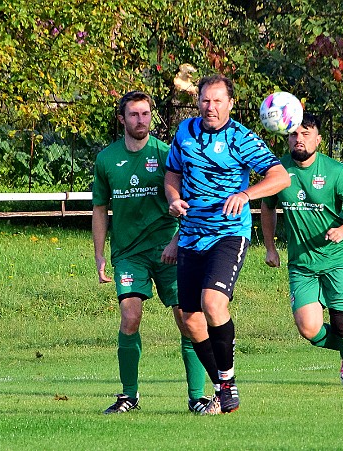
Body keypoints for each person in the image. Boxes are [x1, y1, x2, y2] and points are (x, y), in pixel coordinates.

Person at [164, 75, 291, 415]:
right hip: (191, 235)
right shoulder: (185, 132)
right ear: (199, 102)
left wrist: (246, 194)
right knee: (189, 319)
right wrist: (174, 199)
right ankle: (223, 387)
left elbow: (280, 176)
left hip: (229, 233)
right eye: (206, 100)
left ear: (230, 104)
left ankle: (227, 382)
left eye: (218, 101)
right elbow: (172, 174)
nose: (211, 107)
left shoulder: (241, 138)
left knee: (213, 302)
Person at [92, 91, 209, 414]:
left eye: (145, 114)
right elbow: (100, 208)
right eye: (133, 114)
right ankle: (129, 395)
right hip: (129, 252)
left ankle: (197, 396)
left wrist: (181, 240)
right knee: (130, 317)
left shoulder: (166, 154)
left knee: (188, 319)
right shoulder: (106, 159)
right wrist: (99, 254)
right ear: (122, 119)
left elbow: (187, 202)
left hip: (169, 249)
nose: (140, 120)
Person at [261, 112, 343, 397]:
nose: (299, 139)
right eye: (294, 134)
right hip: (302, 263)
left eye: (306, 133)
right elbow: (268, 207)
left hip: (338, 259)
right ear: (287, 138)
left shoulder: (336, 171)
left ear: (318, 139)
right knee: (309, 329)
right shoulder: (278, 172)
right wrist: (270, 247)